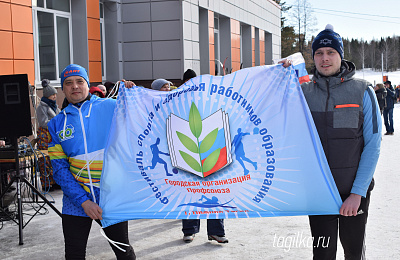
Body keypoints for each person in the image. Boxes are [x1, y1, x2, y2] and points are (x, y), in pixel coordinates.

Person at [300, 25, 381, 259]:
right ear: (313, 57)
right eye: (319, 53)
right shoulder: (303, 92)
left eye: (331, 52)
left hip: (353, 193)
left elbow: (373, 145)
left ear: (341, 55)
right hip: (319, 194)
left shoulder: (362, 91)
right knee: (322, 254)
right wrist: (283, 71)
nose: (325, 58)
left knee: (354, 254)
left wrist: (357, 194)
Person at [48, 64, 136, 259]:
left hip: (110, 197)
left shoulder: (111, 106)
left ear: (88, 84)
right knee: (74, 254)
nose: (75, 87)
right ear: (63, 89)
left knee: (123, 251)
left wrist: (133, 95)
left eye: (80, 81)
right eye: (69, 83)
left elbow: (142, 118)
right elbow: (60, 169)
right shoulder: (56, 123)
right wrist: (84, 202)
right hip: (75, 201)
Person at [178, 69, 229, 244]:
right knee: (191, 191)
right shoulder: (175, 100)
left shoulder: (208, 98)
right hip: (187, 151)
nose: (191, 86)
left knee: (214, 191)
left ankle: (216, 231)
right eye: (187, 82)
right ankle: (189, 230)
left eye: (194, 82)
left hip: (211, 149)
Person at [36, 79, 61, 190]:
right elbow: (43, 122)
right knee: (45, 160)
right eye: (52, 95)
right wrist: (55, 122)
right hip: (45, 135)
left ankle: (55, 181)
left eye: (55, 94)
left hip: (53, 134)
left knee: (55, 158)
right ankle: (47, 183)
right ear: (47, 95)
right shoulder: (42, 107)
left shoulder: (54, 106)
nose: (55, 96)